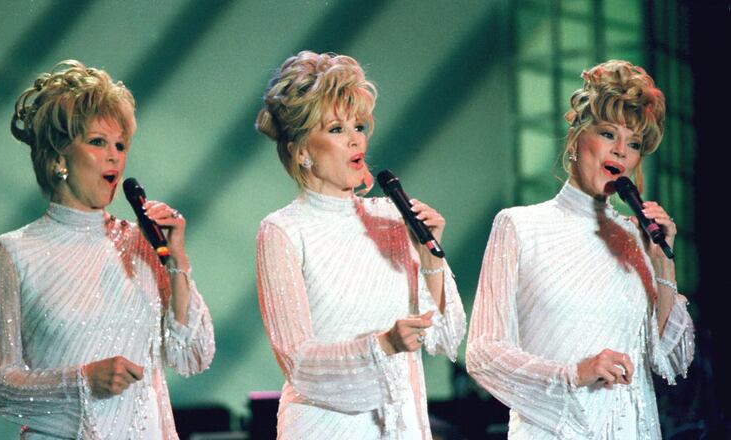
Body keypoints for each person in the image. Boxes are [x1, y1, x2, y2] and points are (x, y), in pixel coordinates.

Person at [0, 60, 215, 439]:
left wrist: (177, 264)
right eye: (98, 142)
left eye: (120, 144)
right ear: (58, 157)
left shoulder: (142, 244)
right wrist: (83, 380)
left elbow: (192, 355)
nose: (114, 155)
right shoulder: (14, 252)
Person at [465, 60, 695, 439]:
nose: (621, 150)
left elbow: (669, 359)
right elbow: (483, 352)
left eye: (634, 143)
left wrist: (663, 265)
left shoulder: (638, 238)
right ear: (576, 140)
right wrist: (575, 373)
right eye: (608, 134)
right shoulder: (520, 227)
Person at [254, 50, 466, 440]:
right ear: (301, 150)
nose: (355, 140)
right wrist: (383, 344)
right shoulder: (282, 231)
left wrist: (430, 257)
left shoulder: (392, 216)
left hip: (401, 423)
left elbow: (447, 337)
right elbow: (297, 362)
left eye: (359, 126)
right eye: (336, 130)